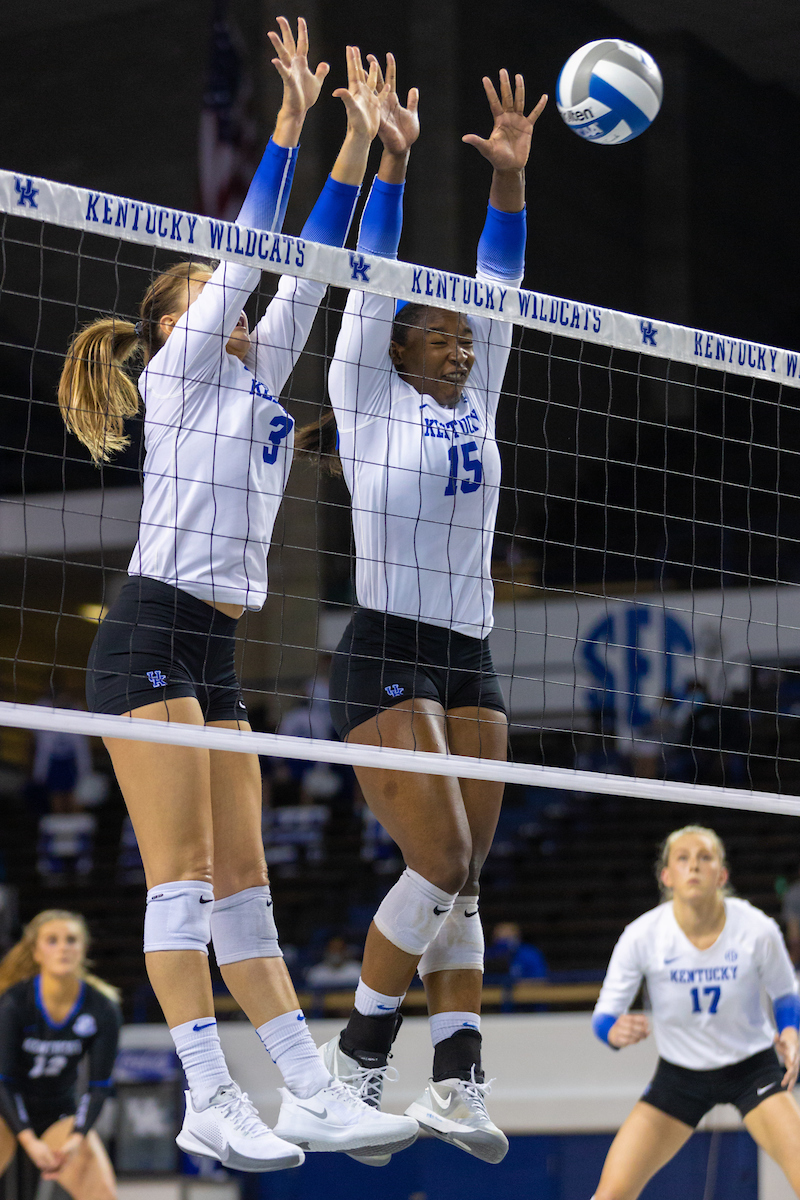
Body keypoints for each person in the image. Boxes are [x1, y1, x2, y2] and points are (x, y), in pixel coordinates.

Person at [57, 23, 417, 1171]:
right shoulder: (178, 374)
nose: (238, 303)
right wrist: (291, 120)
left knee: (246, 887)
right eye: (212, 295)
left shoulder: (260, 385)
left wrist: (359, 144)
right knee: (186, 881)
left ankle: (305, 1090)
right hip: (148, 634)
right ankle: (208, 1097)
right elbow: (257, 241)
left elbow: (308, 261)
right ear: (177, 323)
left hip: (214, 652)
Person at [298, 58, 547, 1164]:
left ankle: (455, 1080)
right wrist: (393, 158)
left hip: (471, 655)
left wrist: (508, 181)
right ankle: (356, 1060)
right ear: (398, 349)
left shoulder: (473, 391)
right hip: (387, 647)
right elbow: (372, 274)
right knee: (439, 858)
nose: (457, 343)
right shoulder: (366, 386)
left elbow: (500, 279)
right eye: (437, 335)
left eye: (462, 337)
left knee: (464, 875)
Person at [589, 825, 800, 1200]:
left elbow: (785, 994)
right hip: (679, 1078)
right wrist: (612, 1032)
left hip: (752, 1069)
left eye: (705, 857)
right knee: (611, 1194)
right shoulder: (642, 935)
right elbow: (605, 1015)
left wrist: (790, 1030)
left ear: (722, 874)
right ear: (667, 876)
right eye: (683, 858)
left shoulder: (756, 929)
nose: (694, 866)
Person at [0, 911, 121, 1200]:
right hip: (4, 1108)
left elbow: (99, 1086)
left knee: (104, 1195)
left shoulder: (103, 1008)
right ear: (36, 952)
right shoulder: (14, 1003)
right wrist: (28, 1141)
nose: (63, 947)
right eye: (52, 940)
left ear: (83, 949)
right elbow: (3, 1080)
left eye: (71, 940)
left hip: (58, 1112)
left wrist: (77, 1138)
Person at [483, 922, 548, 981]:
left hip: (525, 991)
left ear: (516, 937)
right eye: (498, 939)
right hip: (493, 991)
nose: (502, 943)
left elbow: (539, 978)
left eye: (507, 938)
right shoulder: (490, 954)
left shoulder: (529, 954)